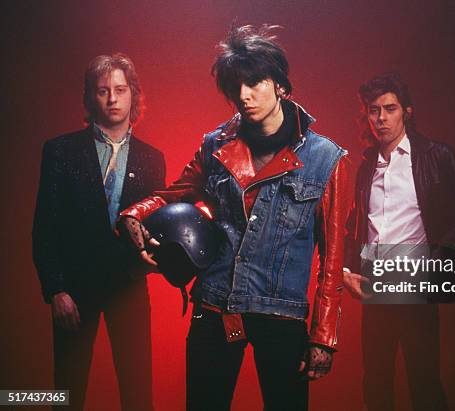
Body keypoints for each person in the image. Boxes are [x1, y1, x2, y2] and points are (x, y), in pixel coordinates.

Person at [117, 25, 349, 411]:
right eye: (235, 87)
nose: (243, 96)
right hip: (215, 305)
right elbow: (172, 193)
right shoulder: (216, 145)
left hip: (281, 314)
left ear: (280, 85)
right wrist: (132, 214)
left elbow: (333, 256)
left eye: (254, 82)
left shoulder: (327, 159)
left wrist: (324, 336)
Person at [343, 72, 455, 411]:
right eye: (373, 110)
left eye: (389, 108)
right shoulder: (367, 168)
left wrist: (444, 253)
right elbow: (355, 226)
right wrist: (348, 269)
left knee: (423, 381)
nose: (381, 118)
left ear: (406, 111)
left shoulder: (435, 155)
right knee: (375, 381)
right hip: (376, 285)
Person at [32, 53, 165, 410]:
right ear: (91, 97)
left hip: (129, 288)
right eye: (103, 90)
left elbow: (156, 230)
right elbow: (44, 226)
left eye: (120, 90)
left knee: (138, 395)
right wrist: (55, 289)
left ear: (133, 95)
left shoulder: (153, 159)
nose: (112, 98)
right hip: (74, 290)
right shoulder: (60, 151)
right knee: (67, 393)